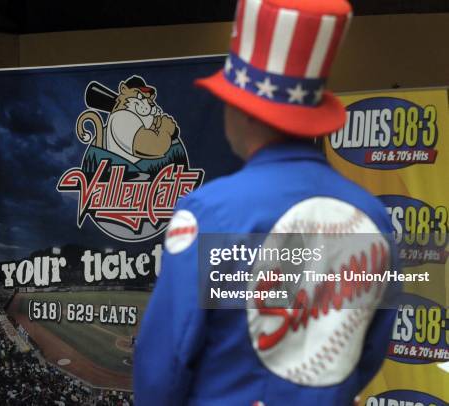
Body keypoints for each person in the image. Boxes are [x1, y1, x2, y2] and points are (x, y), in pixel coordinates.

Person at [134, 0, 398, 404]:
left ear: (246, 111)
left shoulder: (210, 211)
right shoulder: (373, 215)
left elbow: (164, 364)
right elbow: (370, 351)